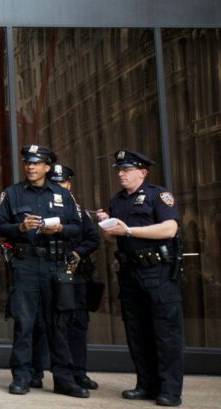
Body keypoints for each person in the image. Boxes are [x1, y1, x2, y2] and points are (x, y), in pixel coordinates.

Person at [0, 145, 87, 398]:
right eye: (28, 163)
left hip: (54, 265)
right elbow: (0, 226)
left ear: (47, 167)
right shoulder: (12, 194)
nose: (31, 167)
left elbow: (77, 227)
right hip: (25, 264)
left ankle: (63, 379)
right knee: (24, 323)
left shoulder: (62, 195)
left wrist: (60, 230)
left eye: (36, 163)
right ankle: (22, 377)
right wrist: (20, 228)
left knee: (57, 323)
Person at [96, 149, 183, 407]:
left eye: (126, 170)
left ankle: (170, 390)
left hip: (157, 272)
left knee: (165, 333)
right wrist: (106, 225)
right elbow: (113, 238)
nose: (121, 174)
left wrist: (129, 231)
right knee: (137, 331)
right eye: (119, 170)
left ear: (142, 173)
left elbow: (170, 229)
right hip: (129, 272)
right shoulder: (118, 200)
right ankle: (145, 384)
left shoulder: (158, 196)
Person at [45, 163, 101, 392]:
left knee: (77, 324)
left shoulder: (78, 211)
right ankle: (50, 373)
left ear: (69, 185)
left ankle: (79, 372)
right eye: (54, 183)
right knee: (53, 325)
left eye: (62, 183)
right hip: (49, 273)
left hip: (74, 276)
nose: (59, 187)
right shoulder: (43, 208)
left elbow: (93, 239)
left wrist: (78, 253)